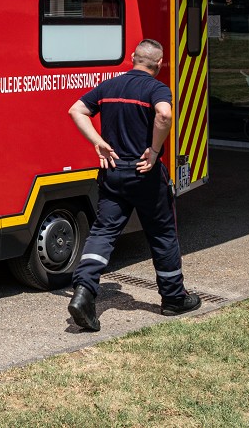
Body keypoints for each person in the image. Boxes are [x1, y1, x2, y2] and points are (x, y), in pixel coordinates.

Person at [66, 39, 200, 331]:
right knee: (162, 233)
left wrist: (98, 143)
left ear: (132, 58)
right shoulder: (157, 89)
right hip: (144, 173)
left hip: (113, 171)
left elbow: (76, 110)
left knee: (103, 231)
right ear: (159, 64)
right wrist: (154, 150)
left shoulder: (109, 86)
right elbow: (164, 114)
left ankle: (84, 292)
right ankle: (174, 298)